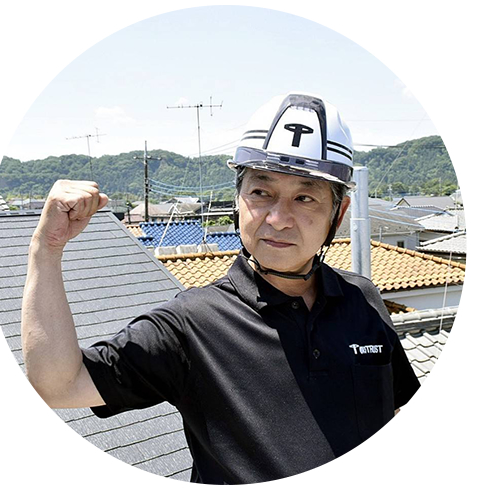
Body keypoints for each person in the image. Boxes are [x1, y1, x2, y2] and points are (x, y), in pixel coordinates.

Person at [22, 92, 420, 484]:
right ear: (238, 199)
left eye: (304, 198)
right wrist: (46, 248)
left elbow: (397, 408)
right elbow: (59, 385)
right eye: (261, 192)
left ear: (339, 212)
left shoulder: (362, 298)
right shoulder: (191, 324)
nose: (278, 218)